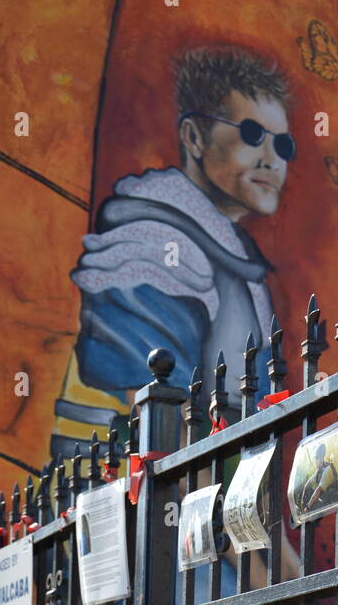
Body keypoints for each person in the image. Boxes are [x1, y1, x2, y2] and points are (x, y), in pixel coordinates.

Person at [69, 47, 293, 421]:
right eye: (253, 134)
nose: (272, 159)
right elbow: (156, 417)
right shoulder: (149, 244)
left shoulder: (234, 256)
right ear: (193, 137)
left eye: (283, 144)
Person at [300, 441, 338, 514]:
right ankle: (304, 512)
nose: (315, 461)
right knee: (308, 489)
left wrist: (308, 507)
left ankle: (306, 514)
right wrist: (302, 502)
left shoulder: (328, 470)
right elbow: (308, 483)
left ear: (321, 458)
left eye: (316, 458)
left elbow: (318, 491)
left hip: (333, 504)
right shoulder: (320, 469)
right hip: (325, 499)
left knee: (313, 500)